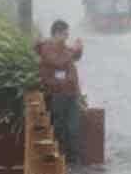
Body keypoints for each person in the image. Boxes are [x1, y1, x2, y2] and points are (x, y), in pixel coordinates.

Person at [36, 20, 83, 164]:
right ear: (56, 33)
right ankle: (60, 159)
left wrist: (79, 49)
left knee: (73, 127)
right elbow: (59, 62)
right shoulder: (47, 48)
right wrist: (73, 50)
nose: (67, 36)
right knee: (60, 127)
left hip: (70, 93)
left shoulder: (63, 48)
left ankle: (73, 159)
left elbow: (74, 57)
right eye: (65, 33)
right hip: (57, 93)